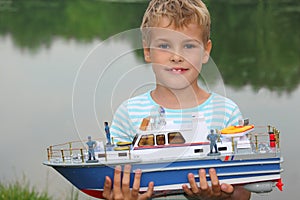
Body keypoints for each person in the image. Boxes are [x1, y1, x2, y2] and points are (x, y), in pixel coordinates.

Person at [104, 0, 251, 199]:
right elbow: (114, 178)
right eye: (164, 45)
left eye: (189, 45)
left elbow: (243, 193)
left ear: (205, 51)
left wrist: (220, 196)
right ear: (148, 51)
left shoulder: (226, 112)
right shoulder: (128, 113)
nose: (176, 56)